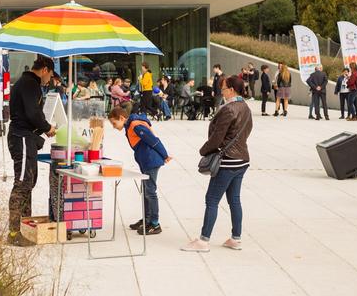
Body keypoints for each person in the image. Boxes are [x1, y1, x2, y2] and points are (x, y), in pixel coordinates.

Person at [181, 76, 253, 253]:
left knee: (212, 200)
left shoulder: (229, 109)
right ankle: (236, 238)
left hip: (227, 161)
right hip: (242, 159)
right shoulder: (246, 107)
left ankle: (204, 241)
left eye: (224, 88)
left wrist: (204, 150)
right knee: (234, 199)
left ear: (232, 90)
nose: (221, 91)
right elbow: (247, 131)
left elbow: (217, 137)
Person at [7, 56, 57, 246]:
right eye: (50, 75)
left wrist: (43, 128)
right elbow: (32, 113)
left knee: (29, 182)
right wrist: (47, 127)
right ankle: (14, 233)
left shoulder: (29, 83)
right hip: (21, 138)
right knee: (21, 184)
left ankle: (25, 227)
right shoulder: (29, 84)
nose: (49, 79)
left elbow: (33, 113)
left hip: (26, 137)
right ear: (44, 69)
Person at [108, 106, 171, 235]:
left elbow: (154, 141)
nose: (114, 127)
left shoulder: (136, 126)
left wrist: (165, 155)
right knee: (146, 191)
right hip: (145, 161)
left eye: (114, 123)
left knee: (150, 192)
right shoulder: (129, 125)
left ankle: (154, 223)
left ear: (121, 118)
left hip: (150, 161)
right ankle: (147, 220)